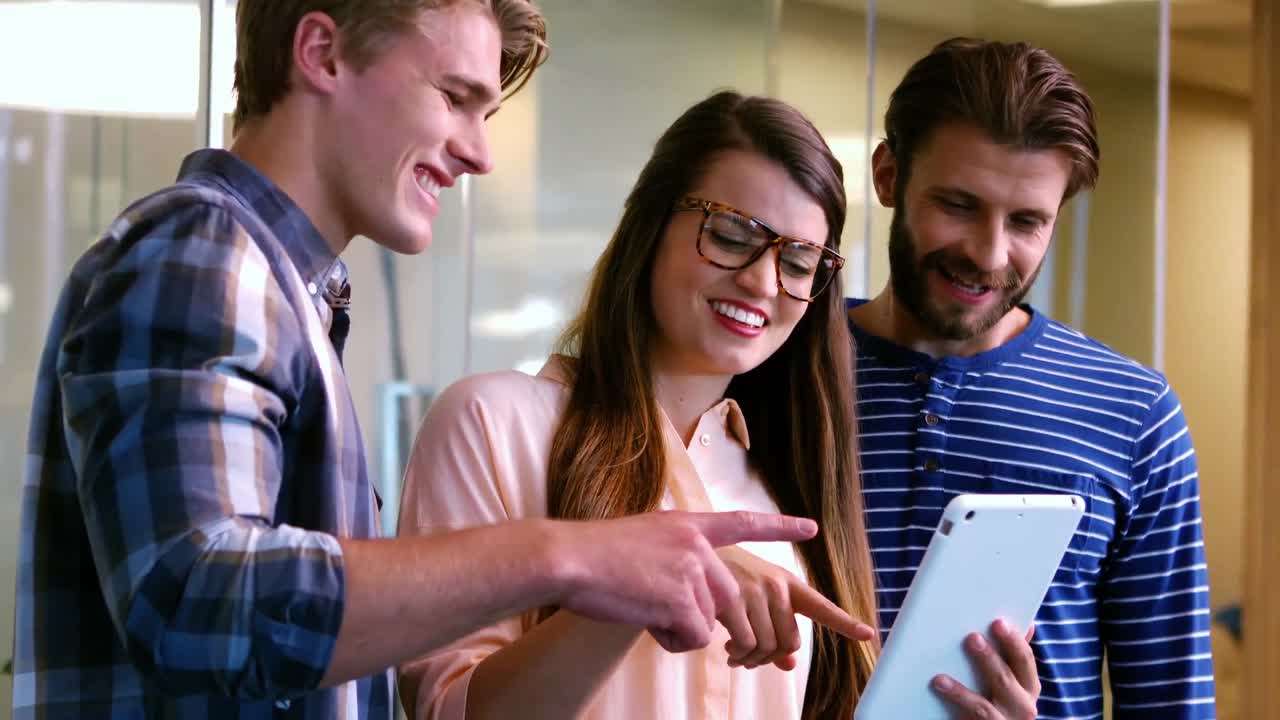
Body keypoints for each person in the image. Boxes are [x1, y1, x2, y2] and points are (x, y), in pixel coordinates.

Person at [12, 3, 825, 718]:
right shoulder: (205, 248)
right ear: (322, 53)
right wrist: (576, 558)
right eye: (455, 97)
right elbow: (195, 602)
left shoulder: (286, 290)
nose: (480, 153)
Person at [397, 90, 1042, 720]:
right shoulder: (492, 424)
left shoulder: (788, 481)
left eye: (800, 262)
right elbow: (446, 709)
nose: (763, 282)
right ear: (651, 225)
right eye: (731, 235)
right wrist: (650, 581)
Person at [850, 37, 1217, 719]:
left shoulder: (1135, 413)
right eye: (959, 205)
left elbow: (1173, 704)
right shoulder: (778, 367)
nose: (990, 254)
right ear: (888, 176)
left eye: (1026, 221)